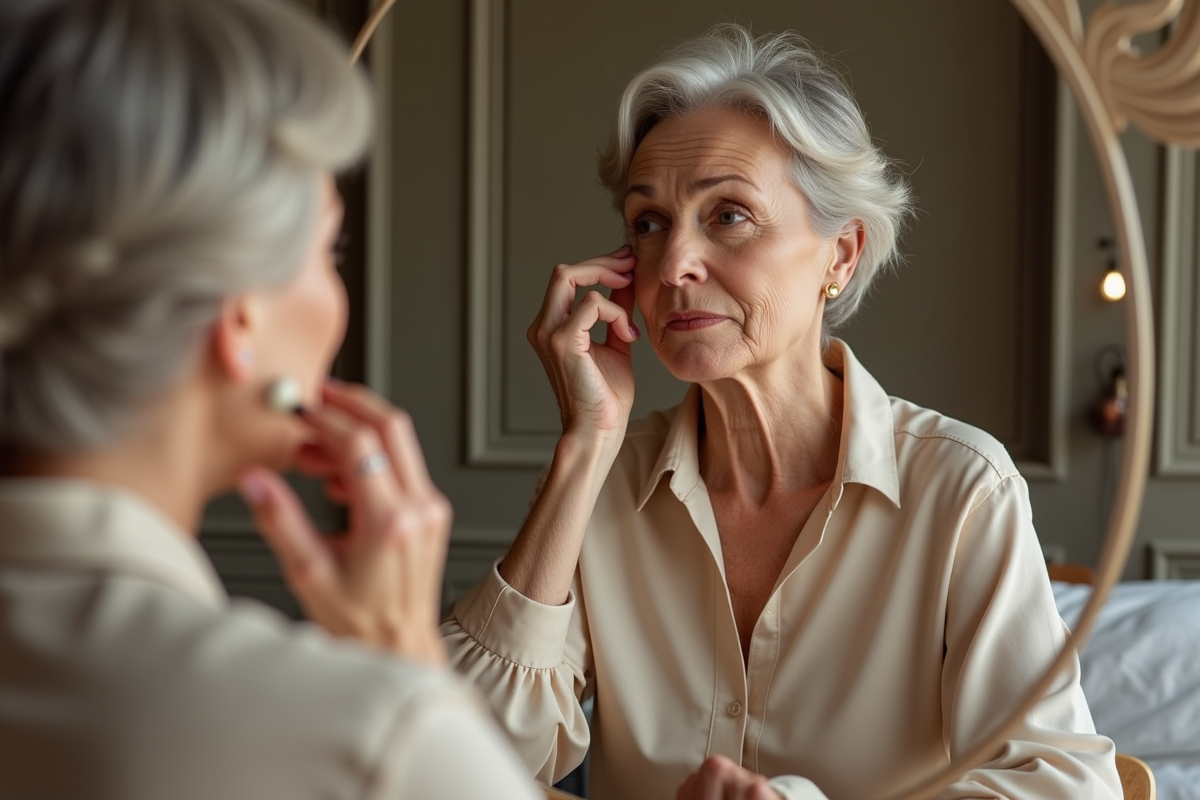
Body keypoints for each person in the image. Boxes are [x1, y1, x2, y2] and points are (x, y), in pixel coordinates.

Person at [443, 24, 1122, 800]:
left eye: (728, 214)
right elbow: (455, 762)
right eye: (648, 222)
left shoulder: (963, 492)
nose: (673, 265)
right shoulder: (601, 486)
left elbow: (1064, 786)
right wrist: (584, 447)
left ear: (841, 254)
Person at [0, 1, 540, 798]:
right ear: (240, 312)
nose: (340, 289)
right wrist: (409, 670)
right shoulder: (372, 740)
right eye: (331, 249)